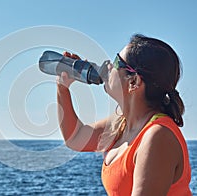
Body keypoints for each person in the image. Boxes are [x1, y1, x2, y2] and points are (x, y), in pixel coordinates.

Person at [56, 34, 192, 195]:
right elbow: (75, 138)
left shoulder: (157, 137)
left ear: (134, 82)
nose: (107, 66)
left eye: (115, 62)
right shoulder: (121, 124)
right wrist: (62, 87)